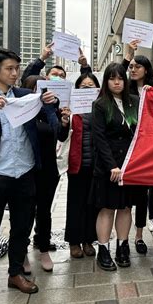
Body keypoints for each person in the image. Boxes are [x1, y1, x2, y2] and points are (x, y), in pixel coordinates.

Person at [0, 49, 57, 304]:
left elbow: (52, 122)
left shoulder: (26, 96)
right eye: (9, 69)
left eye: (16, 68)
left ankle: (15, 273)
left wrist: (53, 104)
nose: (14, 73)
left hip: (25, 172)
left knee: (22, 227)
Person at [91, 63, 138, 271]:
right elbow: (99, 138)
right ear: (106, 81)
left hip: (130, 164)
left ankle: (123, 246)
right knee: (107, 208)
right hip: (108, 165)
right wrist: (112, 166)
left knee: (126, 207)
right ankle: (103, 249)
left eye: (120, 78)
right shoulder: (100, 104)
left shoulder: (134, 101)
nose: (117, 82)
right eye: (112, 78)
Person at [21, 76, 67, 272]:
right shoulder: (21, 111)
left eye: (42, 90)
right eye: (34, 89)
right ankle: (21, 251)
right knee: (24, 212)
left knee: (44, 212)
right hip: (26, 170)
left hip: (48, 170)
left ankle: (43, 248)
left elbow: (60, 135)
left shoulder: (50, 110)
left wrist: (63, 122)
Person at [121, 43, 153, 253]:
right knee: (126, 197)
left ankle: (139, 236)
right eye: (131, 66)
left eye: (138, 66)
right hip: (127, 148)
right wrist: (127, 55)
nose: (133, 69)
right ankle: (124, 238)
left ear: (147, 69)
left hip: (147, 149)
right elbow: (117, 73)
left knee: (142, 196)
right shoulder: (123, 90)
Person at [59, 73, 100, 259]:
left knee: (93, 204)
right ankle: (74, 242)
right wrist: (65, 121)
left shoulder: (101, 108)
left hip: (97, 165)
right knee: (76, 204)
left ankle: (88, 240)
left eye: (91, 86)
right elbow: (61, 135)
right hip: (77, 164)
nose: (87, 90)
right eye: (84, 87)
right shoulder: (70, 108)